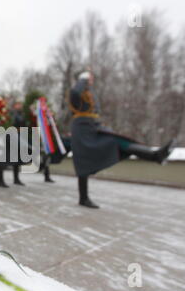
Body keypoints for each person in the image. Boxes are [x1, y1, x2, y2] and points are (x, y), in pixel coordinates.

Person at [69, 71, 174, 209]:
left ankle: (155, 155)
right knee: (83, 162)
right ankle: (83, 198)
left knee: (119, 141)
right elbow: (76, 93)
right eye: (89, 77)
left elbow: (96, 109)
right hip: (82, 129)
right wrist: (83, 79)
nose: (91, 79)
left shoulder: (89, 92)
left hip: (94, 126)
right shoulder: (76, 91)